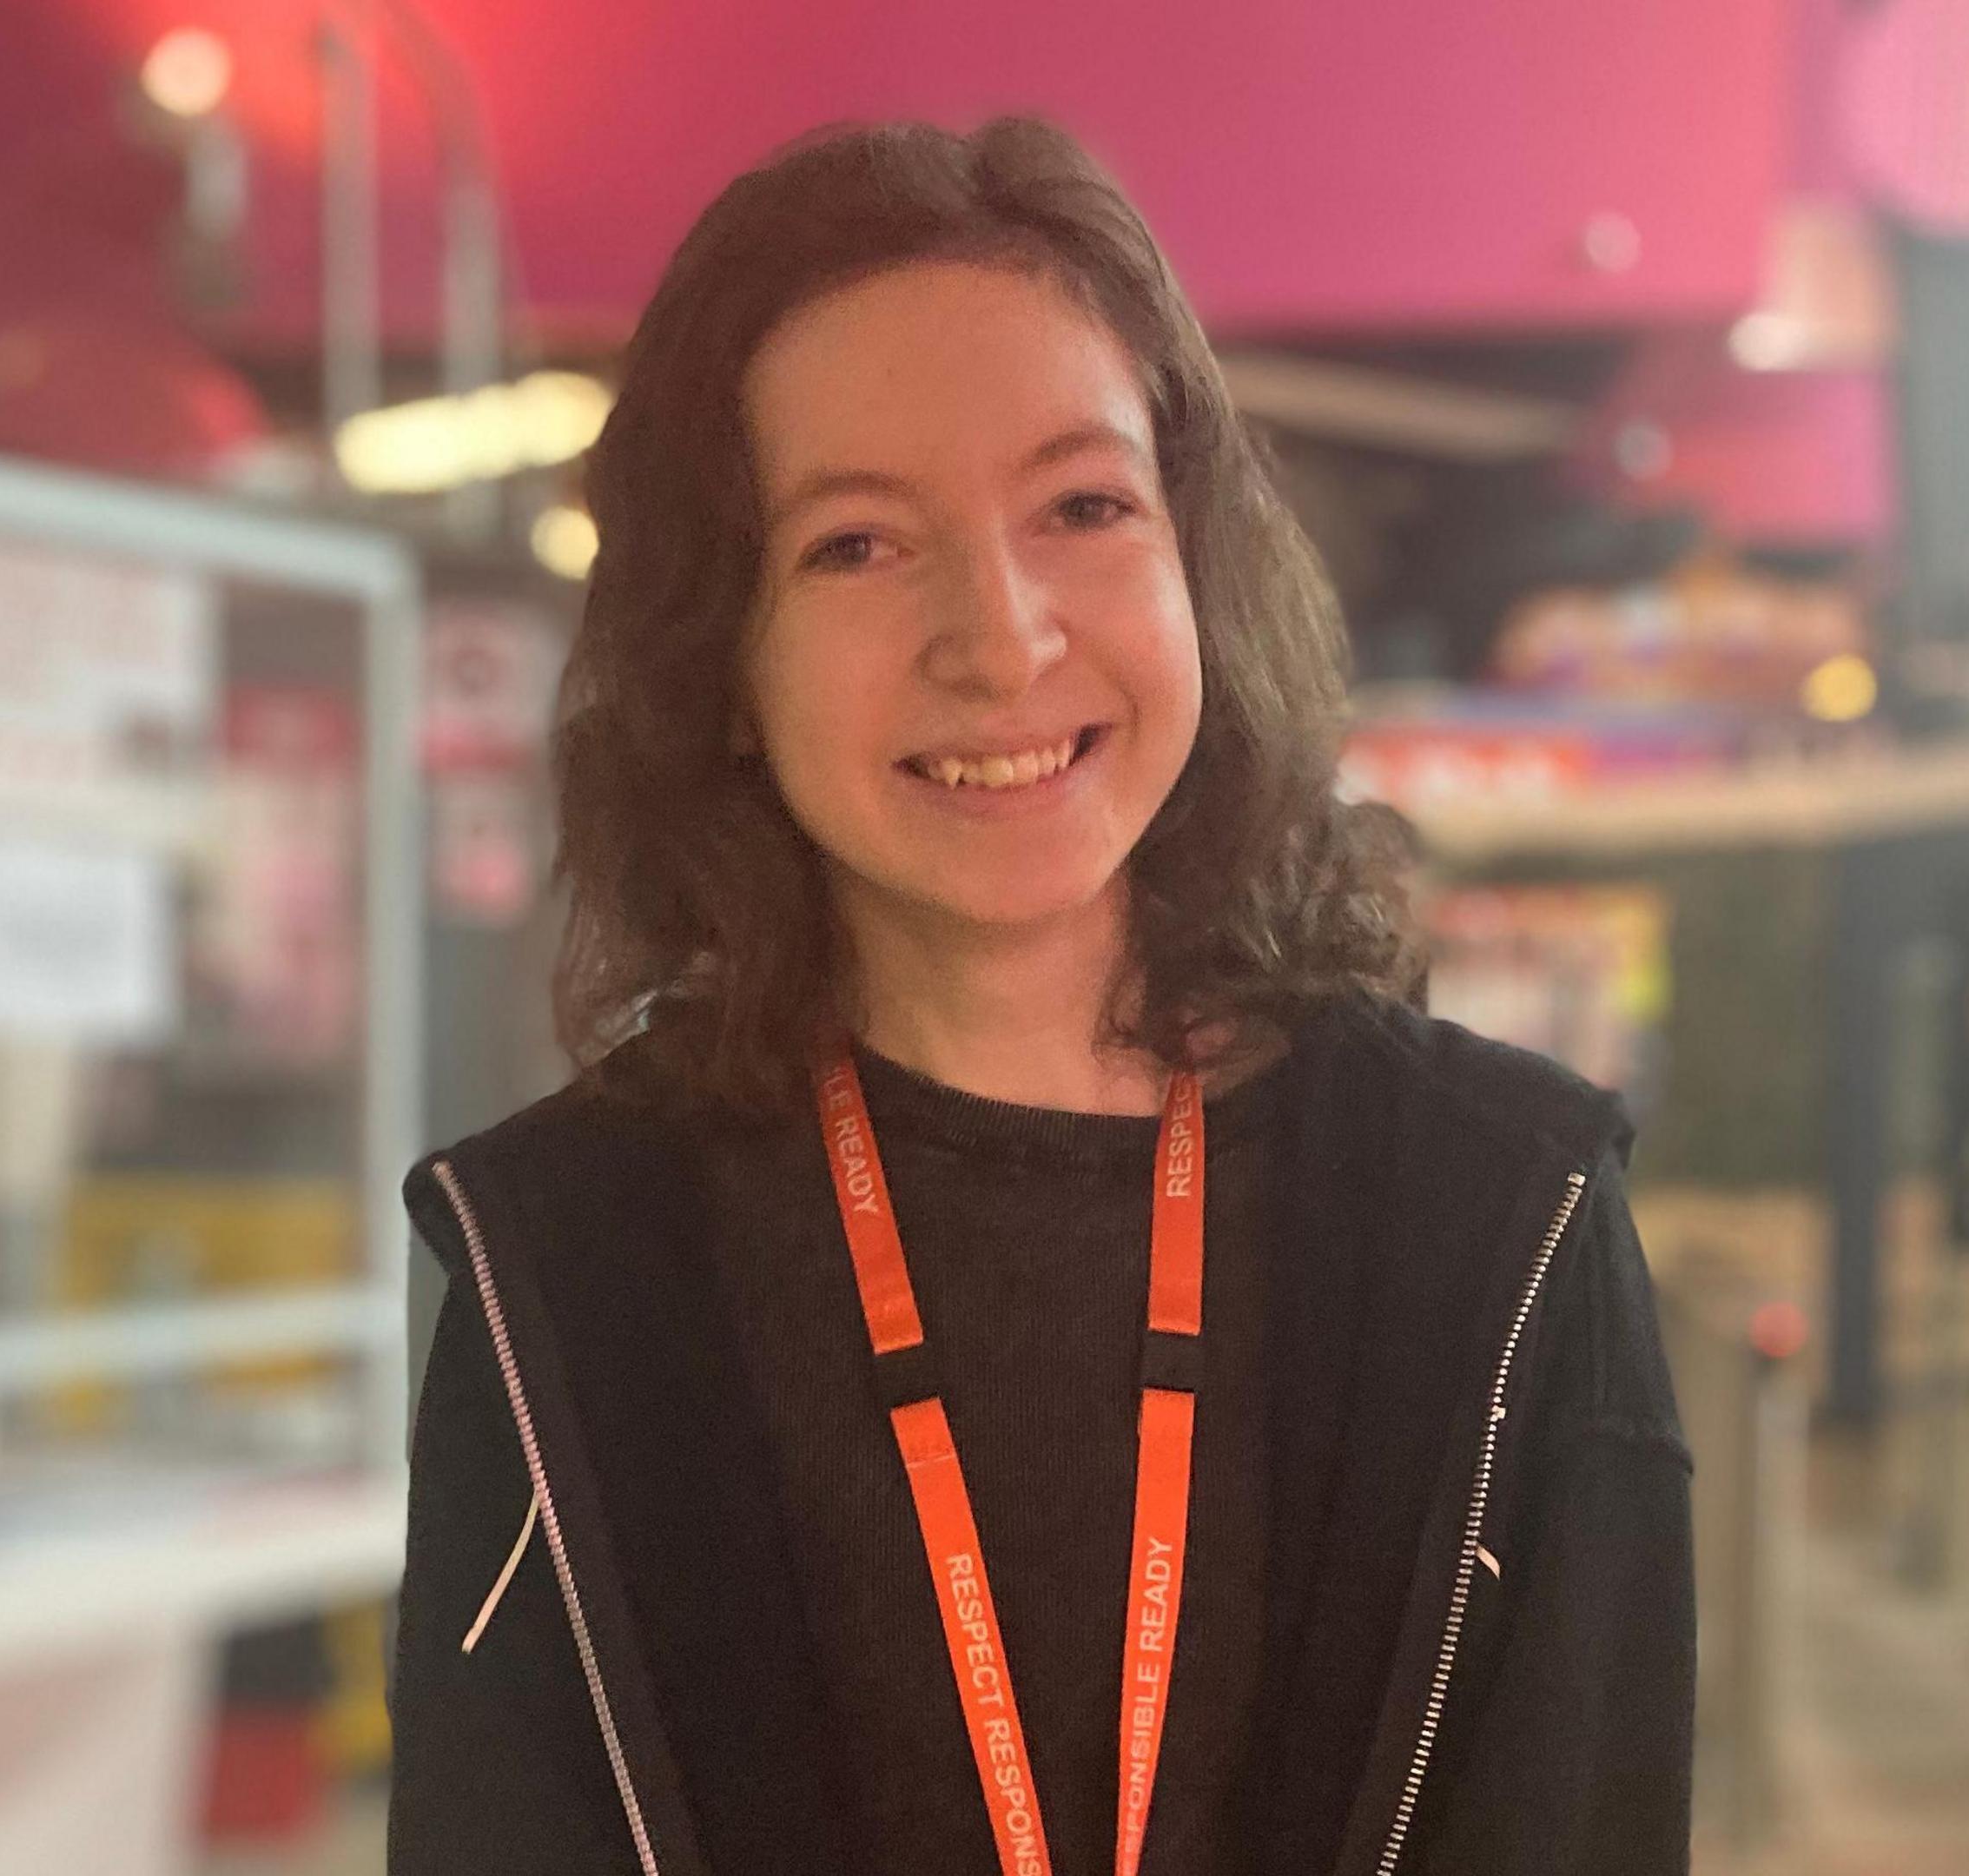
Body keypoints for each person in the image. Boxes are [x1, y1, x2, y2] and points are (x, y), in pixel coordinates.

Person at [390, 118, 1693, 1876]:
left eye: (1083, 507)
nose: (1000, 643)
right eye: (857, 544)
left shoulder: (1502, 1226)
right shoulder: (569, 1267)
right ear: (722, 657)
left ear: (1196, 569)